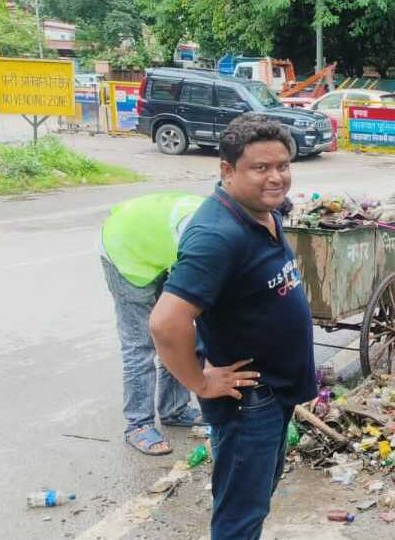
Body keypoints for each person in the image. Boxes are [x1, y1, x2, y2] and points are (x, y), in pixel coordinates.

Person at [149, 114, 316, 540]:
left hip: (275, 392)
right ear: (227, 170)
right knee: (239, 519)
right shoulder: (216, 235)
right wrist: (200, 382)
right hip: (249, 405)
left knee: (256, 500)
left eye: (283, 166)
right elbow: (167, 322)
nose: (277, 177)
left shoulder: (265, 212)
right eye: (261, 168)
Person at [101, 192, 206, 455]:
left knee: (180, 334)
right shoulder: (205, 238)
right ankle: (138, 424)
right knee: (140, 344)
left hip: (162, 246)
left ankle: (174, 409)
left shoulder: (230, 227)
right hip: (126, 250)